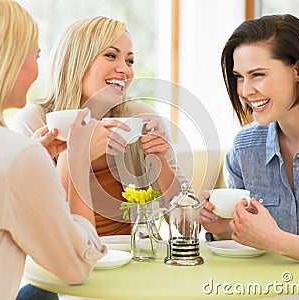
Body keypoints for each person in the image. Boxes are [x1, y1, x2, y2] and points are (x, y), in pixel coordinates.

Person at [0, 1, 106, 299]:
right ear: (6, 61)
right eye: (36, 55)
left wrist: (34, 162)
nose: (36, 69)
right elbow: (75, 266)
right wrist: (76, 161)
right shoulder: (14, 155)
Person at [12, 16, 188, 237]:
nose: (125, 69)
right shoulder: (34, 122)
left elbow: (188, 226)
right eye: (111, 56)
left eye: (130, 61)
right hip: (72, 258)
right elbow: (40, 231)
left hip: (133, 259)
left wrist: (161, 162)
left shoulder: (141, 118)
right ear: (77, 61)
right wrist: (75, 154)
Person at [200, 14, 299, 272]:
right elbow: (250, 246)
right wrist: (224, 229)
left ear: (298, 70)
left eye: (257, 75)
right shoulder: (244, 148)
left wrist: (277, 241)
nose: (245, 91)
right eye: (239, 77)